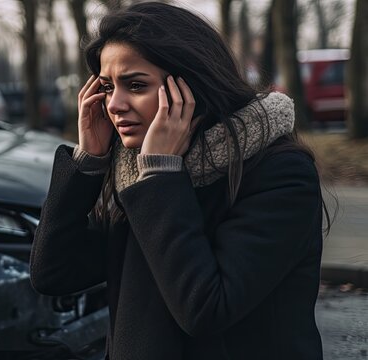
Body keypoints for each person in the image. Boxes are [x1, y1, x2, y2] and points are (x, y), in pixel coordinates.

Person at [30, 2, 327, 359]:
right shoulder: (132, 172)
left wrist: (160, 174)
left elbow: (205, 309)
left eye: (135, 85)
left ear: (191, 87)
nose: (115, 104)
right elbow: (53, 274)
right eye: (108, 87)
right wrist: (87, 162)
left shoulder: (278, 172)